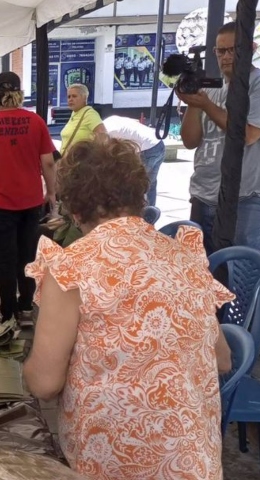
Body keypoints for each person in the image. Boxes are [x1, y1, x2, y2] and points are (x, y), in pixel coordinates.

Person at [23, 137, 232, 480]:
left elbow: (45, 383)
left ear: (75, 211)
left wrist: (25, 369)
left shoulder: (71, 269)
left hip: (112, 467)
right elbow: (222, 359)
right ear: (139, 196)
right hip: (195, 466)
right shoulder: (186, 258)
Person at [0, 71, 57, 322]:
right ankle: (27, 307)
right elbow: (48, 162)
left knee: (5, 259)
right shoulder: (36, 121)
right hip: (31, 202)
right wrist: (51, 192)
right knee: (27, 256)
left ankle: (8, 312)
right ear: (20, 93)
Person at [179, 21, 260, 253]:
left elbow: (247, 134)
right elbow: (190, 141)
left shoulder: (259, 84)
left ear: (251, 49)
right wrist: (193, 102)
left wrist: (206, 105)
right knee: (202, 272)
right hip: (203, 194)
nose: (225, 57)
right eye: (220, 51)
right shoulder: (213, 88)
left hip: (245, 197)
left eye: (233, 50)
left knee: (240, 274)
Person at [103, 115, 166, 206]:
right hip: (159, 144)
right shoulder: (111, 119)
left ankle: (137, 215)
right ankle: (150, 215)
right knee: (150, 184)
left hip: (147, 149)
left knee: (137, 184)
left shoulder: (107, 132)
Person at [60, 84, 106, 154]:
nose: (70, 99)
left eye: (74, 96)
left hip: (80, 163)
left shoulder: (89, 114)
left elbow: (103, 137)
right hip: (68, 162)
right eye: (69, 97)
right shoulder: (75, 113)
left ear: (84, 98)